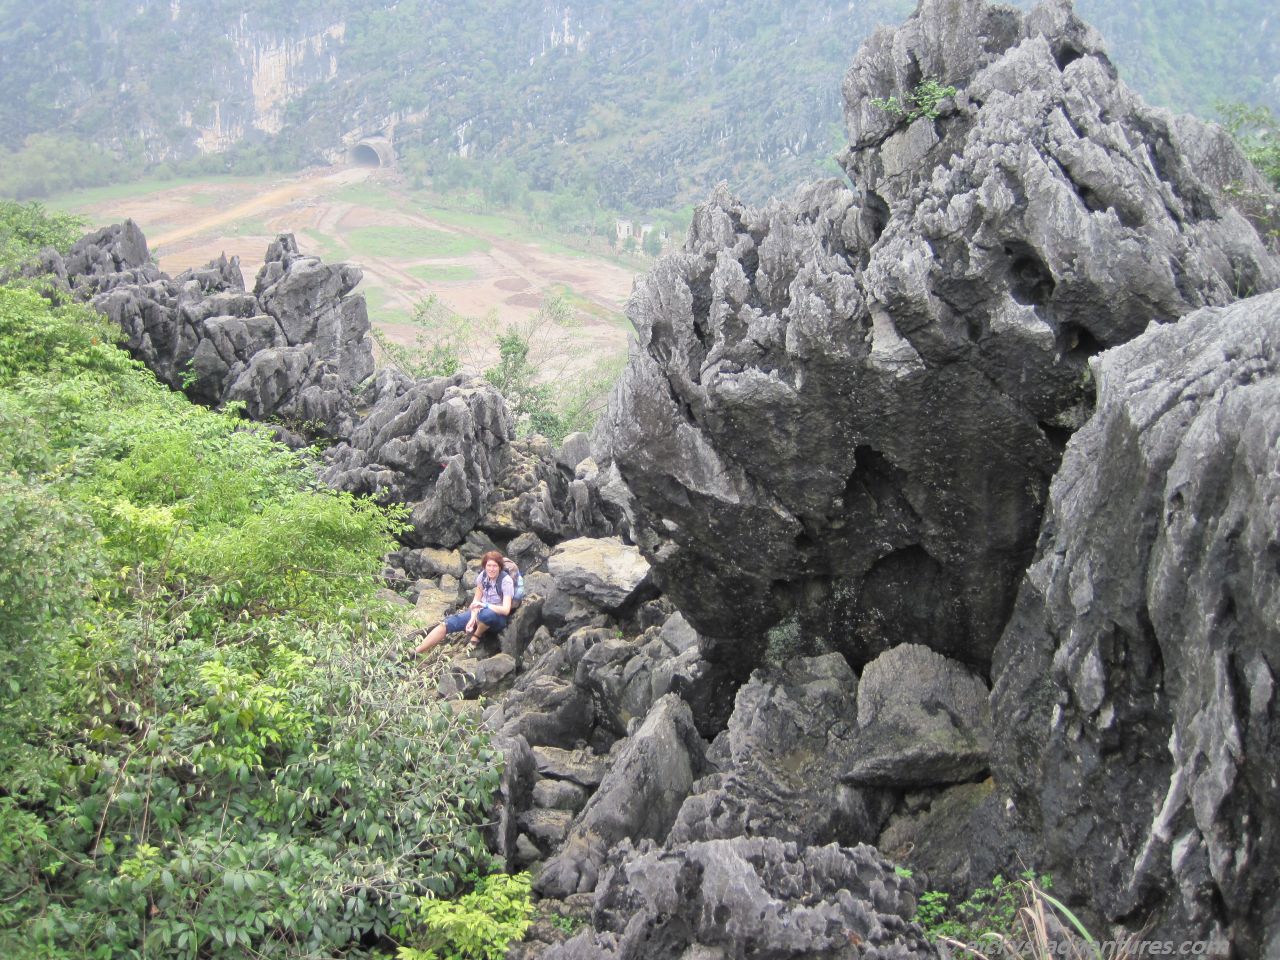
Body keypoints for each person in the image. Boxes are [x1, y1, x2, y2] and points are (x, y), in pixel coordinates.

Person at [412, 550, 514, 655]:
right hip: (480, 612)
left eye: (495, 566)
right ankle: (417, 651)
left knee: (486, 615)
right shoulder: (482, 577)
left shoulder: (506, 581)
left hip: (498, 618)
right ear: (484, 566)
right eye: (489, 565)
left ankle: (477, 635)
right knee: (445, 624)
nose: (491, 569)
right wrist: (472, 619)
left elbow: (506, 610)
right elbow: (476, 601)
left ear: (500, 567)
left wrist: (485, 605)